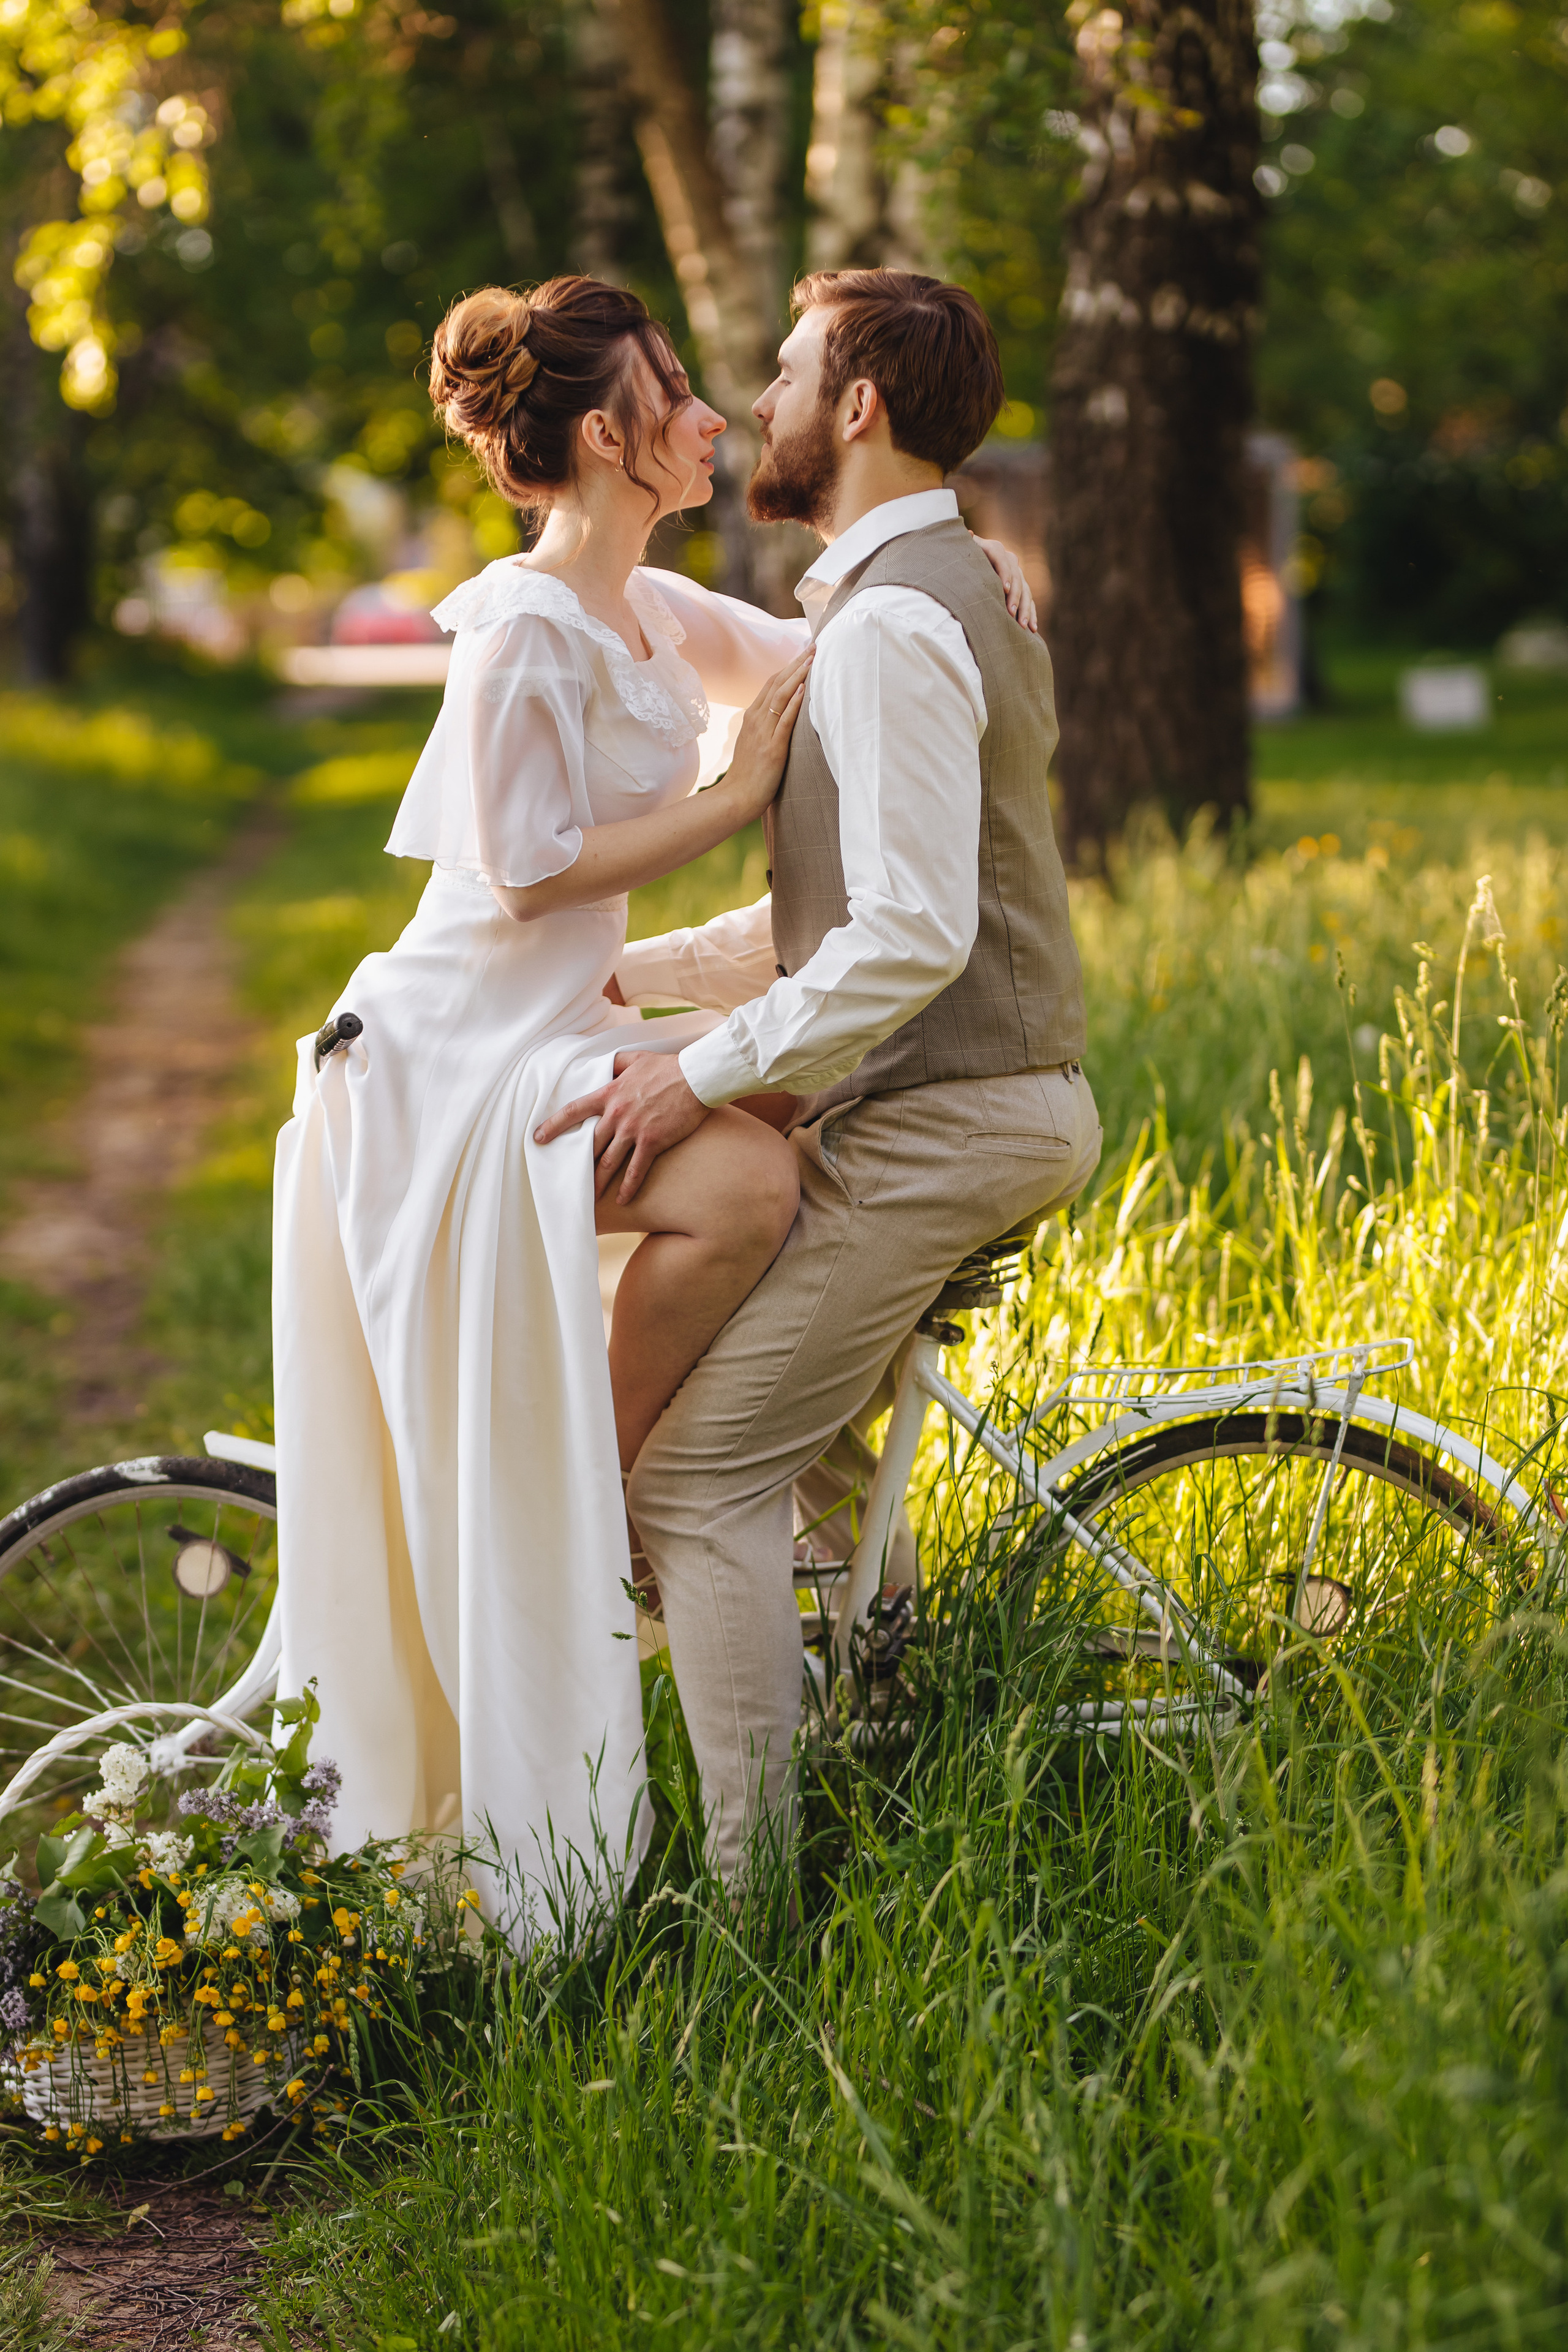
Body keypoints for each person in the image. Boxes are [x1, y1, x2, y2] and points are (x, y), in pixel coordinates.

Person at [270, 274, 1035, 1928]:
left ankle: (617, 1497)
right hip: (458, 1040)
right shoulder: (519, 627)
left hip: (561, 1021)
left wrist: (985, 599)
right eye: (679, 386)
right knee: (747, 1181)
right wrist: (742, 793)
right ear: (613, 432)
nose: (709, 410)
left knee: (763, 1149)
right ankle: (606, 1507)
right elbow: (532, 872)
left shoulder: (654, 612)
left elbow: (836, 654)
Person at [536, 270, 1104, 1883]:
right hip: (955, 1105)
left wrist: (690, 1076)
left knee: (701, 1474)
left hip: (954, 1117)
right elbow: (838, 912)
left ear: (857, 408)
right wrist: (623, 977)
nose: (764, 404)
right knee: (810, 1455)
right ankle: (895, 1746)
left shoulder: (902, 623)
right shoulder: (915, 598)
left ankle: (753, 1912)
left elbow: (911, 937)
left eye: (787, 376)